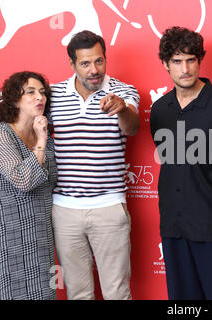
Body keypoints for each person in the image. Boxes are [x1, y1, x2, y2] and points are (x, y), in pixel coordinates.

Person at [150, 26, 212, 300]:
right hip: (174, 228)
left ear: (199, 61)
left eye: (191, 60)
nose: (185, 68)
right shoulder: (159, 110)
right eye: (177, 61)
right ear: (165, 64)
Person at [50, 30, 140, 300]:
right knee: (78, 293)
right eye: (85, 63)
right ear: (72, 64)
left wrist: (121, 108)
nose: (94, 70)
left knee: (117, 292)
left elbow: (133, 127)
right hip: (65, 210)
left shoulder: (123, 91)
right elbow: (26, 130)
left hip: (109, 208)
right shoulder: (53, 95)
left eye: (99, 61)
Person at [0, 71, 57, 299]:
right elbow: (23, 180)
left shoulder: (44, 136)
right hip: (8, 229)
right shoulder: (0, 134)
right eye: (31, 92)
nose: (40, 98)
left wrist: (42, 139)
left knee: (43, 291)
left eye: (42, 93)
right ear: (15, 99)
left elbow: (51, 181)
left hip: (40, 230)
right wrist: (41, 141)